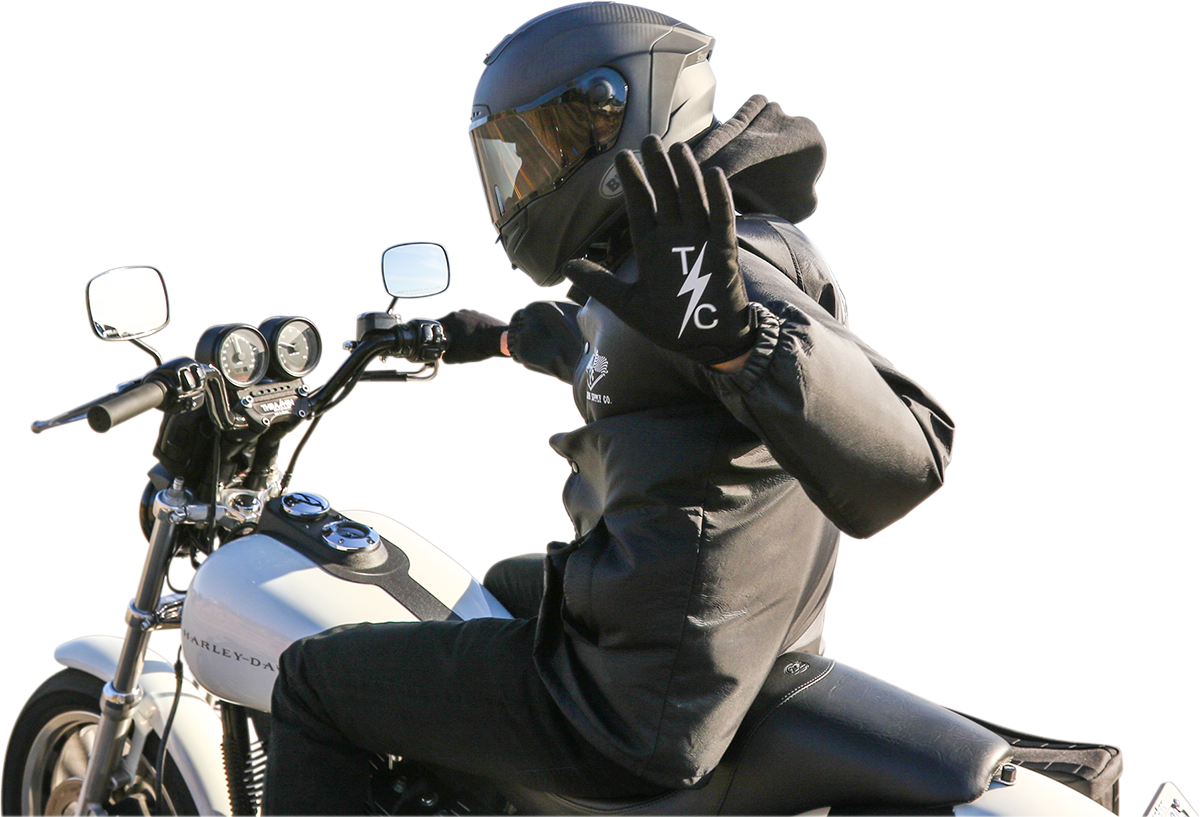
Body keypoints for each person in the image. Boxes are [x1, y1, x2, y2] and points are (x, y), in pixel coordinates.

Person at [263, 4, 954, 815]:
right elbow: (627, 360)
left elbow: (911, 453)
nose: (525, 179)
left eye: (545, 144)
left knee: (312, 680)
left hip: (636, 704)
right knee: (501, 584)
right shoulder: (657, 266)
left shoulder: (728, 269)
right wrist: (499, 340)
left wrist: (741, 344)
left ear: (623, 111)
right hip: (697, 641)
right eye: (513, 157)